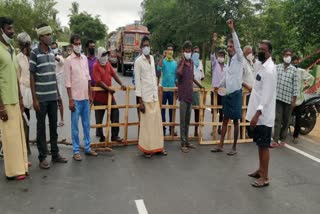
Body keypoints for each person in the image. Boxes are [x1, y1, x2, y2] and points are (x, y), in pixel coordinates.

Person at [30, 23, 68, 169]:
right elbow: (32, 76)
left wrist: (58, 95)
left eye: (50, 34)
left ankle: (55, 154)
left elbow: (53, 76)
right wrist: (34, 99)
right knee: (41, 128)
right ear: (40, 37)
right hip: (41, 98)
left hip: (52, 97)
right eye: (47, 34)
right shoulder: (35, 53)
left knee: (53, 127)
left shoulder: (52, 53)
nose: (50, 36)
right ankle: (42, 158)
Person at [0, 17, 29, 180]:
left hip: (15, 99)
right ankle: (13, 171)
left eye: (12, 28)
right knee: (10, 138)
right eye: (9, 28)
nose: (12, 31)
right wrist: (1, 107)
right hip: (4, 101)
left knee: (18, 135)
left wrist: (20, 98)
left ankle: (22, 165)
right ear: (0, 30)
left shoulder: (10, 48)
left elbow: (14, 76)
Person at [246, 40, 277, 188]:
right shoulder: (261, 66)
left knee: (264, 146)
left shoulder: (270, 70)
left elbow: (267, 96)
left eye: (263, 50)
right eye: (259, 49)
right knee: (260, 144)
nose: (259, 52)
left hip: (263, 116)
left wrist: (256, 115)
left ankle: (265, 177)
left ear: (269, 52)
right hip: (259, 115)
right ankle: (260, 170)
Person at [211, 19, 243, 155]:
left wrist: (232, 29)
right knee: (224, 120)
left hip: (236, 94)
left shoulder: (240, 57)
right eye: (228, 47)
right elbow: (226, 77)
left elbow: (238, 45)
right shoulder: (229, 61)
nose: (229, 48)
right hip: (227, 95)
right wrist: (218, 86)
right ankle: (221, 145)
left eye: (231, 47)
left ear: (235, 48)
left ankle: (234, 147)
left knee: (236, 121)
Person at [64, 34, 98, 161]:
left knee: (86, 124)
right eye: (76, 44)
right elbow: (67, 82)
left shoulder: (84, 58)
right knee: (74, 126)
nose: (78, 46)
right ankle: (76, 150)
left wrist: (90, 95)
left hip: (85, 97)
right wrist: (70, 99)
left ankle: (88, 148)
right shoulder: (68, 61)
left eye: (79, 43)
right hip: (75, 99)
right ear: (72, 45)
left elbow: (88, 78)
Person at [134, 36, 167, 158]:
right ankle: (147, 149)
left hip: (154, 96)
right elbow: (137, 82)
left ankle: (158, 147)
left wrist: (158, 91)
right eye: (145, 45)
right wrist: (140, 102)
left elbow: (154, 76)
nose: (147, 47)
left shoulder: (152, 58)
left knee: (157, 124)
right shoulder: (138, 61)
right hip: (145, 97)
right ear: (141, 47)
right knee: (147, 125)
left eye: (148, 45)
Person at [93, 47, 126, 143]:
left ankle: (115, 135)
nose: (105, 56)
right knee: (99, 117)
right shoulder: (96, 66)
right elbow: (98, 81)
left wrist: (121, 84)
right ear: (99, 55)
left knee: (115, 112)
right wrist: (108, 89)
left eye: (106, 54)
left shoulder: (108, 64)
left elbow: (114, 75)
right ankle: (100, 134)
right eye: (103, 55)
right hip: (99, 97)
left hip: (109, 96)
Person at [177, 41, 204, 153]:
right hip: (183, 95)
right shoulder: (180, 63)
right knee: (182, 121)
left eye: (189, 51)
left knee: (188, 120)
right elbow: (178, 73)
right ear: (183, 52)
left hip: (190, 95)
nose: (188, 52)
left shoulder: (192, 63)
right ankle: (182, 143)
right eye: (186, 51)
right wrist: (183, 61)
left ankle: (187, 141)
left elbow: (192, 77)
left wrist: (200, 85)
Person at [272, 49, 298, 147]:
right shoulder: (277, 67)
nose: (288, 57)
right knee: (278, 119)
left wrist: (294, 100)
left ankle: (283, 139)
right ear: (283, 56)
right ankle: (275, 139)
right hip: (278, 98)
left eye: (290, 55)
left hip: (288, 100)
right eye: (286, 55)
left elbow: (295, 86)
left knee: (286, 121)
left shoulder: (294, 70)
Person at [291, 55, 315, 142]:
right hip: (289, 99)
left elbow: (311, 78)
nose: (294, 62)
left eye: (296, 61)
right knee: (286, 117)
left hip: (300, 100)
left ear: (298, 62)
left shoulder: (301, 71)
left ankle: (295, 136)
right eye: (293, 61)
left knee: (298, 118)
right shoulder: (288, 71)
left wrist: (305, 88)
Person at [16, 32, 32, 155]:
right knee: (24, 119)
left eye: (28, 44)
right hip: (23, 91)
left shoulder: (33, 56)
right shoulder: (18, 58)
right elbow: (18, 76)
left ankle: (27, 145)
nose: (26, 47)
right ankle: (25, 146)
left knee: (32, 119)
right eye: (24, 45)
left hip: (33, 91)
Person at [158, 43, 177, 136]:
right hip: (164, 89)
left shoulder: (175, 63)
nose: (170, 51)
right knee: (163, 110)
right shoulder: (164, 61)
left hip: (172, 89)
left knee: (172, 110)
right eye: (168, 49)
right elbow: (159, 67)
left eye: (171, 50)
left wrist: (177, 90)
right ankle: (163, 128)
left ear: (173, 51)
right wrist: (162, 56)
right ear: (166, 51)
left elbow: (176, 77)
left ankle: (171, 128)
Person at [211, 32, 226, 135]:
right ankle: (214, 128)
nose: (221, 56)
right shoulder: (215, 63)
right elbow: (212, 53)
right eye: (219, 55)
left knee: (222, 111)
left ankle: (220, 128)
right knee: (214, 111)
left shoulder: (226, 67)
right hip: (215, 91)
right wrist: (214, 41)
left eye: (222, 55)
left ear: (224, 57)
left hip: (223, 91)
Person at [191, 46, 204, 137]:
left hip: (197, 90)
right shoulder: (189, 62)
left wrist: (200, 85)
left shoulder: (200, 63)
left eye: (198, 52)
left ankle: (196, 130)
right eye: (195, 51)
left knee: (197, 111)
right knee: (187, 111)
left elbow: (202, 76)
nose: (196, 53)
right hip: (189, 88)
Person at [242, 45, 255, 138]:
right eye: (249, 52)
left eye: (252, 53)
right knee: (244, 113)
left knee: (250, 112)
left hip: (251, 93)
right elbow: (239, 78)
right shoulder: (242, 63)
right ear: (245, 53)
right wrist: (248, 87)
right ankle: (244, 132)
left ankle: (250, 132)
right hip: (244, 92)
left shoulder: (250, 62)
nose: (251, 54)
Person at [51, 41, 65, 127]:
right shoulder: (48, 56)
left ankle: (62, 119)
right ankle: (53, 120)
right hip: (50, 82)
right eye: (52, 48)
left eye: (54, 48)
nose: (53, 49)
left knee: (59, 101)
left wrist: (55, 56)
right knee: (52, 103)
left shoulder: (59, 57)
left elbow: (62, 62)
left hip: (58, 82)